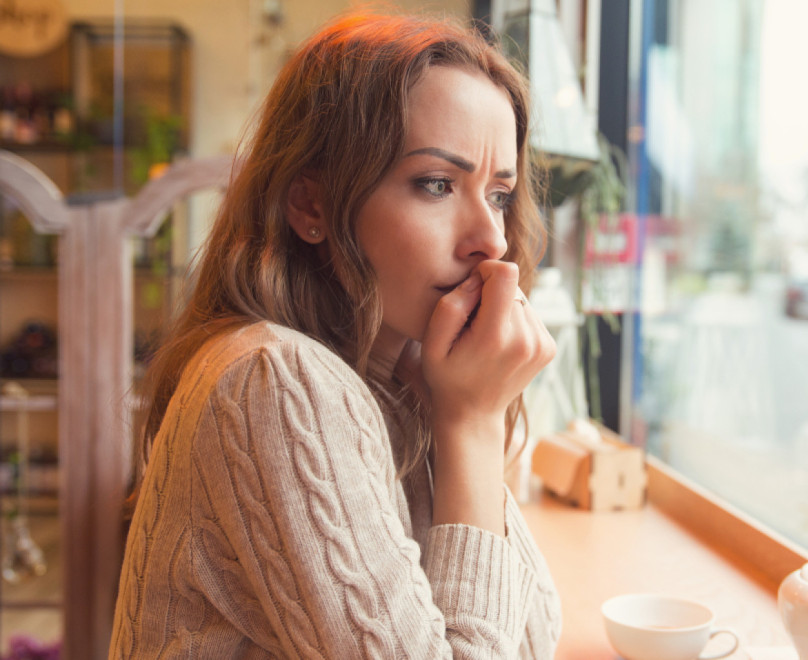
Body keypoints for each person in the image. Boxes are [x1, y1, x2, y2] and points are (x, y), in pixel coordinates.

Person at [109, 11, 562, 659]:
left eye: (498, 195)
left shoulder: (405, 378)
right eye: (437, 185)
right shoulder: (274, 378)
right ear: (311, 205)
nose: (490, 239)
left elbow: (532, 639)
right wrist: (474, 425)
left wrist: (455, 414)